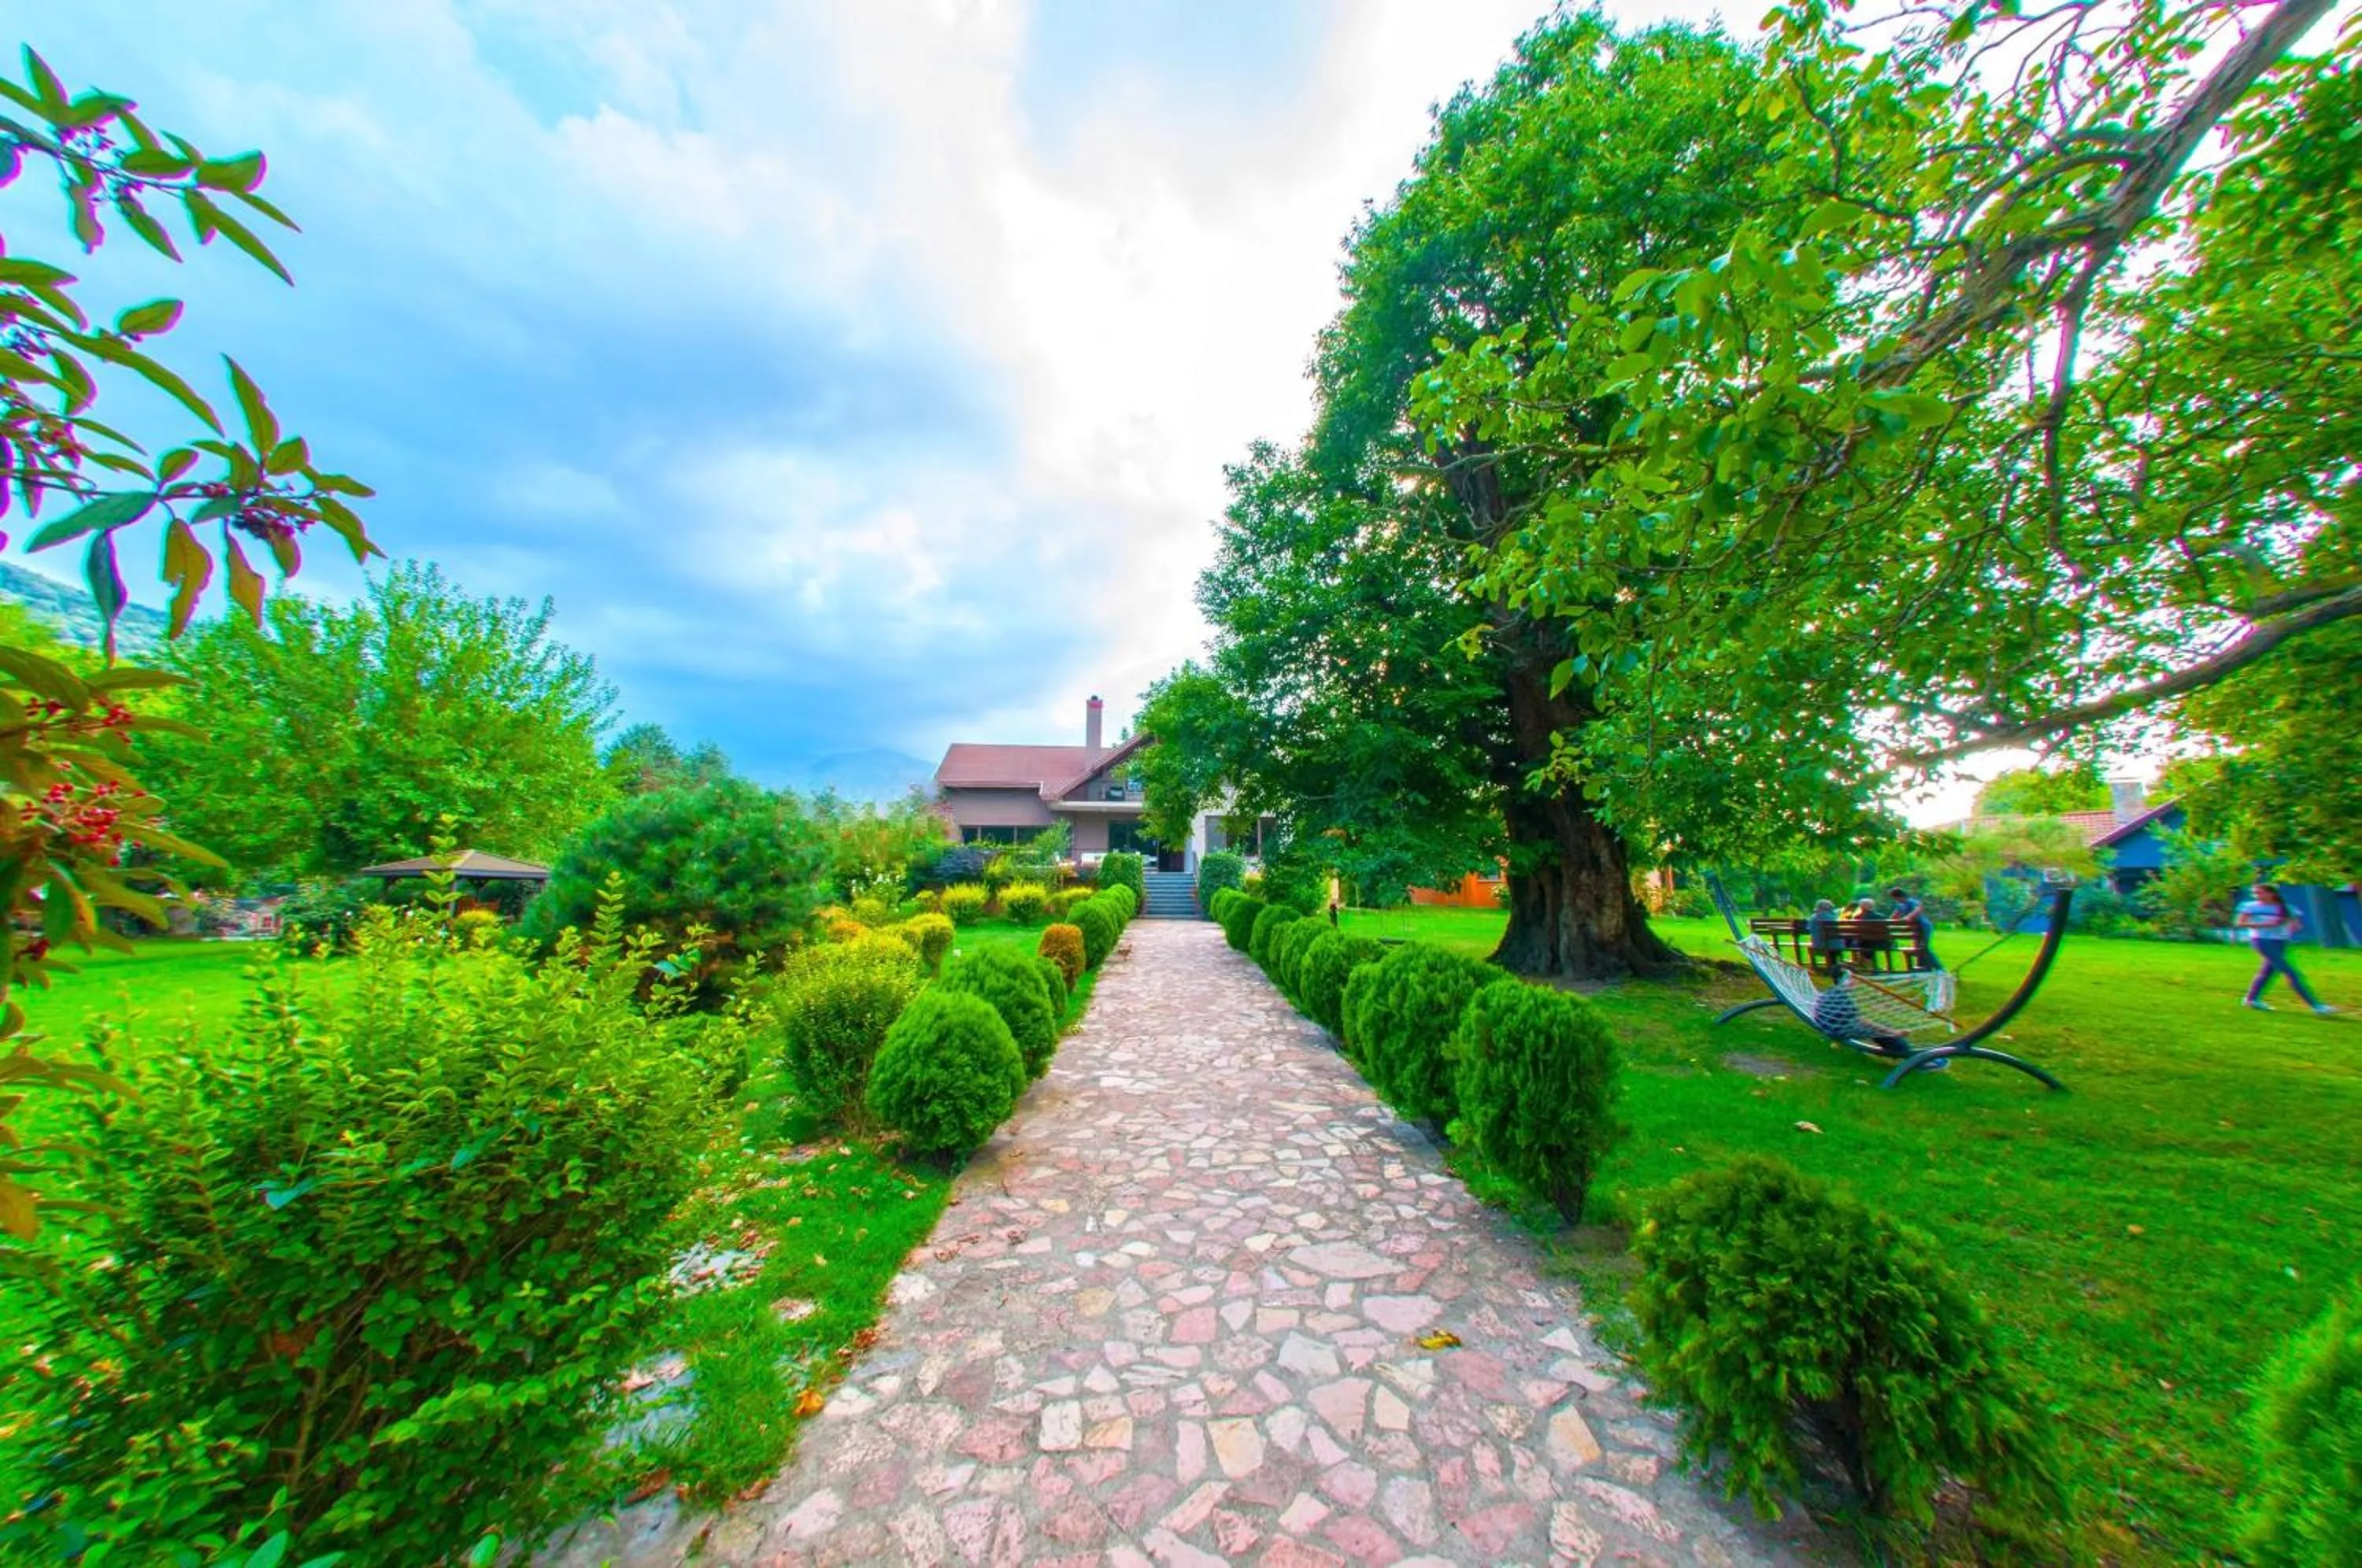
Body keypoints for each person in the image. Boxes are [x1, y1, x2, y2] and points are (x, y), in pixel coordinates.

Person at [2236, 883, 2336, 1015]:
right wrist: (2265, 924)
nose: (2256, 896)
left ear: (2271, 894)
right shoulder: (2250, 907)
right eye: (2255, 893)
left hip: (2280, 942)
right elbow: (2240, 923)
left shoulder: (2285, 908)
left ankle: (2251, 1000)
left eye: (2260, 893)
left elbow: (2296, 926)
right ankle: (2316, 1006)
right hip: (2262, 941)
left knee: (2267, 972)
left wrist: (2288, 926)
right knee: (2290, 972)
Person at [1887, 885, 1938, 971]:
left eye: (1895, 898)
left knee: (1922, 947)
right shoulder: (1901, 905)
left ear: (1898, 897)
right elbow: (1894, 916)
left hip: (1923, 926)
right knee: (1920, 947)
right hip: (1919, 927)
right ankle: (1926, 967)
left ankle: (1935, 967)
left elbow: (1917, 910)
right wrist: (1893, 920)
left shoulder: (1911, 902)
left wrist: (1907, 918)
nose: (1896, 900)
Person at [1806, 898, 1843, 970]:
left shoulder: (1814, 918)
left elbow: (1810, 930)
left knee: (1819, 941)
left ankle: (1816, 968)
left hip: (1820, 946)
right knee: (1832, 942)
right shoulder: (1834, 918)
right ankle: (1834, 966)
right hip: (1838, 946)